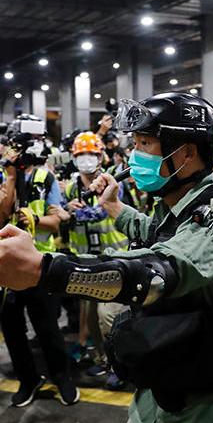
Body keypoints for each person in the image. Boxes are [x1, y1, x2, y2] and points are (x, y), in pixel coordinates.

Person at [0, 93, 213, 423]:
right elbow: (156, 234)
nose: (135, 155)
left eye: (145, 143)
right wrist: (114, 208)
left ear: (186, 153)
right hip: (170, 385)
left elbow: (157, 273)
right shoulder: (178, 204)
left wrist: (46, 269)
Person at [0, 116, 79, 408]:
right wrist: (11, 175)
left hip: (39, 265)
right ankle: (28, 379)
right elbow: (0, 214)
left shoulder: (45, 177)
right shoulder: (2, 175)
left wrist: (36, 219)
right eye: (16, 147)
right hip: (7, 266)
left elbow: (56, 221)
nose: (21, 153)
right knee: (12, 329)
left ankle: (62, 376)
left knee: (47, 326)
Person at [63, 131, 128, 386]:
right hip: (86, 261)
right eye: (81, 155)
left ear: (101, 156)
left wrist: (79, 212)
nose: (87, 159)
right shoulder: (71, 187)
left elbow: (102, 212)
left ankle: (120, 366)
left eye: (91, 154)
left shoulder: (111, 182)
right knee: (90, 316)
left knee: (108, 316)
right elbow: (62, 216)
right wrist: (68, 209)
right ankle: (103, 359)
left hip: (113, 259)